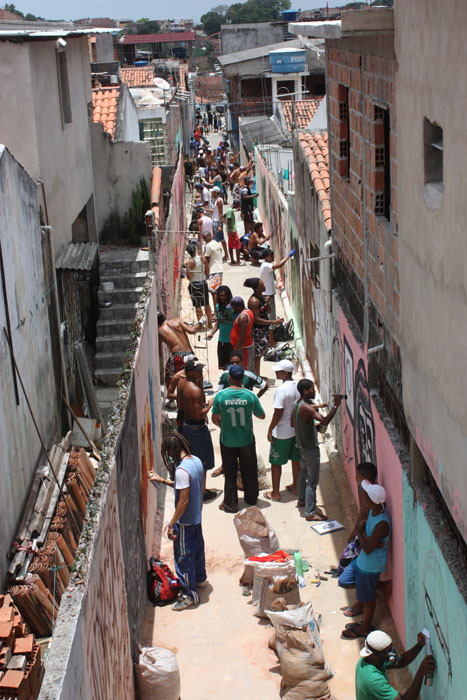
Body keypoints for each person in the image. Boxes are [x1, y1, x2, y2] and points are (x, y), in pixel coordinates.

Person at [155, 433, 207, 610]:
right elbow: (188, 486)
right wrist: (162, 480)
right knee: (198, 550)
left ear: (173, 450)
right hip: (197, 517)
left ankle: (189, 595)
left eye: (168, 453)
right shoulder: (196, 461)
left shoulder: (181, 471)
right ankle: (200, 579)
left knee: (184, 558)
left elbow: (183, 500)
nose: (169, 457)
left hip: (185, 522)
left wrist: (171, 524)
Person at [339, 481, 391, 639]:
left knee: (368, 599)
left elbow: (368, 547)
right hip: (362, 561)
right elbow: (368, 544)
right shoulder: (373, 512)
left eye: (365, 495)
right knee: (344, 580)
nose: (363, 496)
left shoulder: (382, 524)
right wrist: (366, 537)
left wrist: (360, 532)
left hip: (370, 566)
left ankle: (365, 627)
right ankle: (380, 585)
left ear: (371, 501)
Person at [211, 364, 265, 513]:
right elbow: (262, 415)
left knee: (230, 472)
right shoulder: (250, 396)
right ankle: (251, 498)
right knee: (249, 469)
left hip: (227, 441)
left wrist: (225, 426)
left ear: (229, 378)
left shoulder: (221, 396)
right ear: (242, 378)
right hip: (246, 440)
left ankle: (231, 504)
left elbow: (214, 419)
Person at [292, 379, 342, 519]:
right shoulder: (306, 408)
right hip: (310, 448)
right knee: (312, 481)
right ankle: (310, 512)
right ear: (305, 391)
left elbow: (293, 422)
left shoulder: (297, 404)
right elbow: (324, 421)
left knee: (302, 474)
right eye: (312, 389)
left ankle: (301, 501)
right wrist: (336, 406)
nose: (314, 391)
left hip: (301, 445)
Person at [355, 629, 435, 700]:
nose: (392, 653)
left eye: (391, 648)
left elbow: (401, 662)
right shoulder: (374, 680)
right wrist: (420, 673)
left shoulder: (371, 660)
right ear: (374, 654)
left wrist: (419, 645)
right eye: (387, 651)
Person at [342, 461, 379, 618]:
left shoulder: (370, 494)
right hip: (362, 533)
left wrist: (356, 532)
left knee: (355, 568)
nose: (355, 478)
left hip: (364, 535)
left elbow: (364, 515)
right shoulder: (368, 490)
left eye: (357, 476)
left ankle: (363, 600)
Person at [177, 358, 216, 502]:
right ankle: (202, 492)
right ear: (189, 372)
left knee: (190, 459)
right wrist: (210, 404)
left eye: (200, 369)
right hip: (197, 428)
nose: (200, 372)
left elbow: (181, 405)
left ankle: (195, 489)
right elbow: (200, 414)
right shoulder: (194, 390)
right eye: (197, 370)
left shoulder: (182, 384)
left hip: (187, 425)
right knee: (202, 461)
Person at [264, 359, 301, 501]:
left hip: (282, 432)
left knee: (276, 462)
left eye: (279, 371)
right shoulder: (298, 385)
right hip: (295, 431)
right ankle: (296, 487)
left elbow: (278, 412)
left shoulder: (281, 389)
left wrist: (270, 429)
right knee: (295, 459)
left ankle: (275, 493)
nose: (276, 373)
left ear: (285, 373)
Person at [244, 277, 283, 375]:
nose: (264, 286)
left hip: (263, 330)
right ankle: (256, 376)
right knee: (257, 355)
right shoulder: (254, 301)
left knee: (260, 355)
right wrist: (273, 322)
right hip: (258, 331)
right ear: (257, 288)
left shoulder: (261, 297)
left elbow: (268, 311)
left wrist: (267, 303)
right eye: (262, 285)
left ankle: (257, 375)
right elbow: (256, 319)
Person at [157, 311, 202, 391]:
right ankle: (201, 399)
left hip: (177, 357)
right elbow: (192, 331)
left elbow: (160, 353)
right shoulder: (177, 321)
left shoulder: (160, 331)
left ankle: (171, 401)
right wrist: (201, 322)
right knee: (198, 377)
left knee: (168, 377)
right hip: (191, 355)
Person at [259, 248, 295, 325]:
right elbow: (278, 265)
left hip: (267, 294)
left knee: (271, 316)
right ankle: (272, 337)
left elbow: (266, 279)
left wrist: (275, 286)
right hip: (268, 295)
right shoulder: (266, 265)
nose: (273, 257)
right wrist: (288, 256)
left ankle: (273, 333)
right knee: (271, 317)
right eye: (271, 256)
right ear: (266, 257)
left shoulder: (264, 265)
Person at [207, 285, 238, 370]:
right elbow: (218, 321)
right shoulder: (218, 307)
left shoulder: (234, 307)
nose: (222, 297)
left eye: (224, 295)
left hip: (233, 342)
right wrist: (212, 333)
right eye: (220, 296)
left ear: (228, 295)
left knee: (234, 367)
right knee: (224, 367)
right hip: (222, 342)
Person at [185, 242, 212, 328]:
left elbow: (189, 277)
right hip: (203, 282)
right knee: (206, 304)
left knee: (198, 305)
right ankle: (210, 323)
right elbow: (207, 271)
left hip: (194, 284)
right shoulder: (202, 259)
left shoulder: (189, 263)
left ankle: (201, 326)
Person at [229, 296, 255, 372]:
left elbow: (242, 337)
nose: (232, 309)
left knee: (245, 370)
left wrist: (236, 353)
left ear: (238, 306)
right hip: (246, 347)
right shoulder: (248, 312)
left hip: (244, 348)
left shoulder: (243, 317)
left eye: (233, 307)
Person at [203, 230, 224, 306]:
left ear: (209, 236)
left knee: (214, 292)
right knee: (217, 292)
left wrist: (205, 272)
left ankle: (216, 312)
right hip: (219, 269)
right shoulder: (217, 243)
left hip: (213, 270)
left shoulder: (208, 246)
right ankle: (218, 310)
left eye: (205, 238)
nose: (205, 240)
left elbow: (206, 260)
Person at [211, 185, 228, 260]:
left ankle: (219, 255)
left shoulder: (219, 201)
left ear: (216, 192)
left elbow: (220, 213)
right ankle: (226, 254)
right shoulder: (217, 200)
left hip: (217, 222)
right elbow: (215, 211)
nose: (211, 193)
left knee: (217, 240)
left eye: (213, 192)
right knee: (221, 239)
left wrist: (220, 225)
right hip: (216, 221)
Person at [224, 200, 242, 265]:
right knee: (238, 245)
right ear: (235, 204)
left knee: (231, 245)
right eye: (238, 205)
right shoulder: (230, 211)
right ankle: (238, 261)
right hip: (232, 231)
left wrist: (226, 225)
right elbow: (228, 220)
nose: (239, 206)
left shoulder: (229, 210)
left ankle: (232, 261)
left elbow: (224, 216)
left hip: (230, 230)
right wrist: (231, 230)